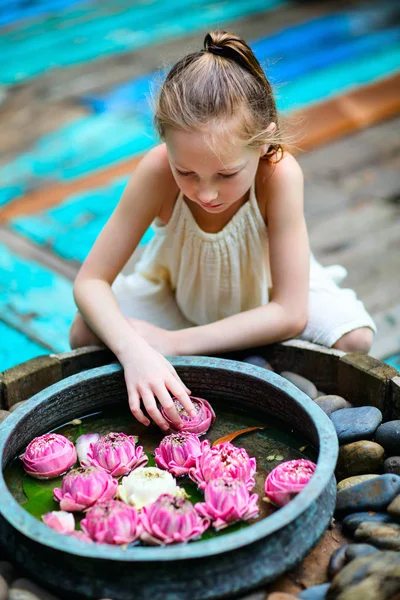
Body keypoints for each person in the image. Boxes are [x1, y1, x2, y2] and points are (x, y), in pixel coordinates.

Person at [70, 31, 376, 430]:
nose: (206, 193)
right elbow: (91, 281)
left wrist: (171, 344)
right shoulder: (156, 171)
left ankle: (243, 350)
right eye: (187, 172)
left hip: (263, 293)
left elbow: (290, 311)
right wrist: (136, 353)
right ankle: (235, 350)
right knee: (83, 331)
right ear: (166, 144)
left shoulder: (278, 175)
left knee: (354, 339)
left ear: (264, 143)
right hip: (179, 295)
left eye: (227, 173)